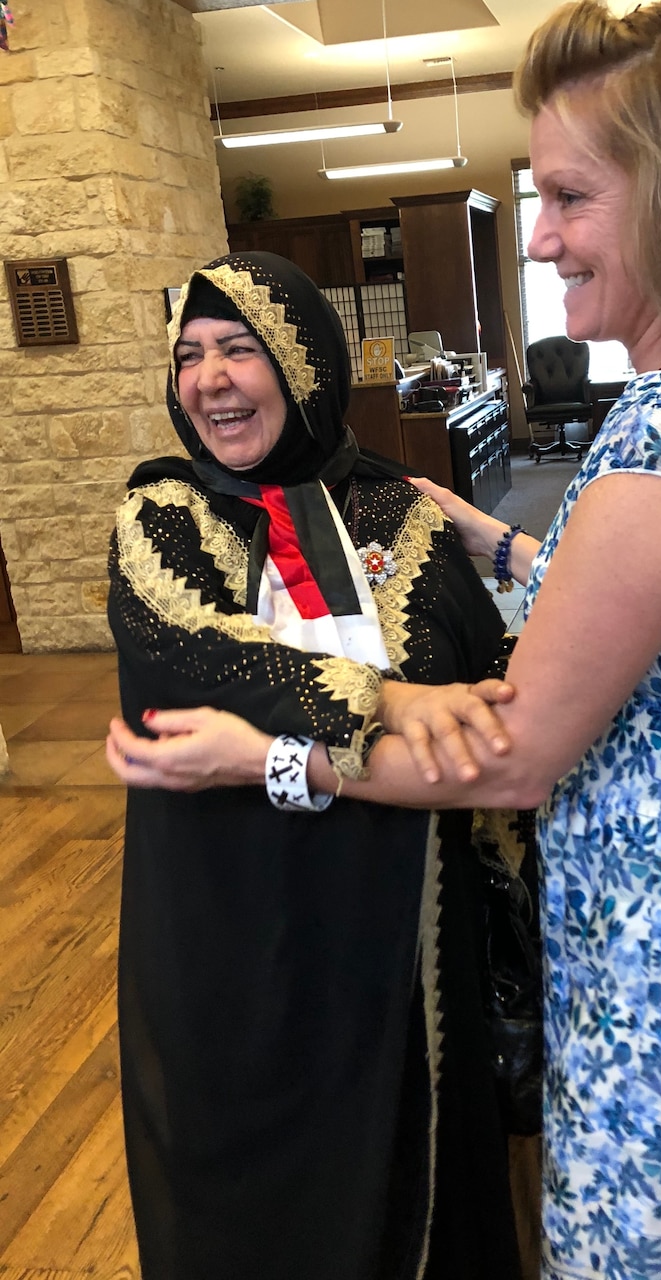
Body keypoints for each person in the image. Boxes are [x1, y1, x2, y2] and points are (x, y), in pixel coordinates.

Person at [108, 4, 661, 1277]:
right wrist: (500, 544)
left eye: (569, 194)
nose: (544, 234)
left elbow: (511, 753)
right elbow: (648, 607)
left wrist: (267, 757)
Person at [105, 249, 526, 1280]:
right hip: (234, 933)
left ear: (304, 366)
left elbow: (490, 680)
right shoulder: (160, 515)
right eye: (190, 355)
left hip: (410, 923)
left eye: (239, 350)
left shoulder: (401, 509)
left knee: (415, 1169)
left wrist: (522, 576)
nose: (208, 379)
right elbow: (192, 656)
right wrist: (386, 696)